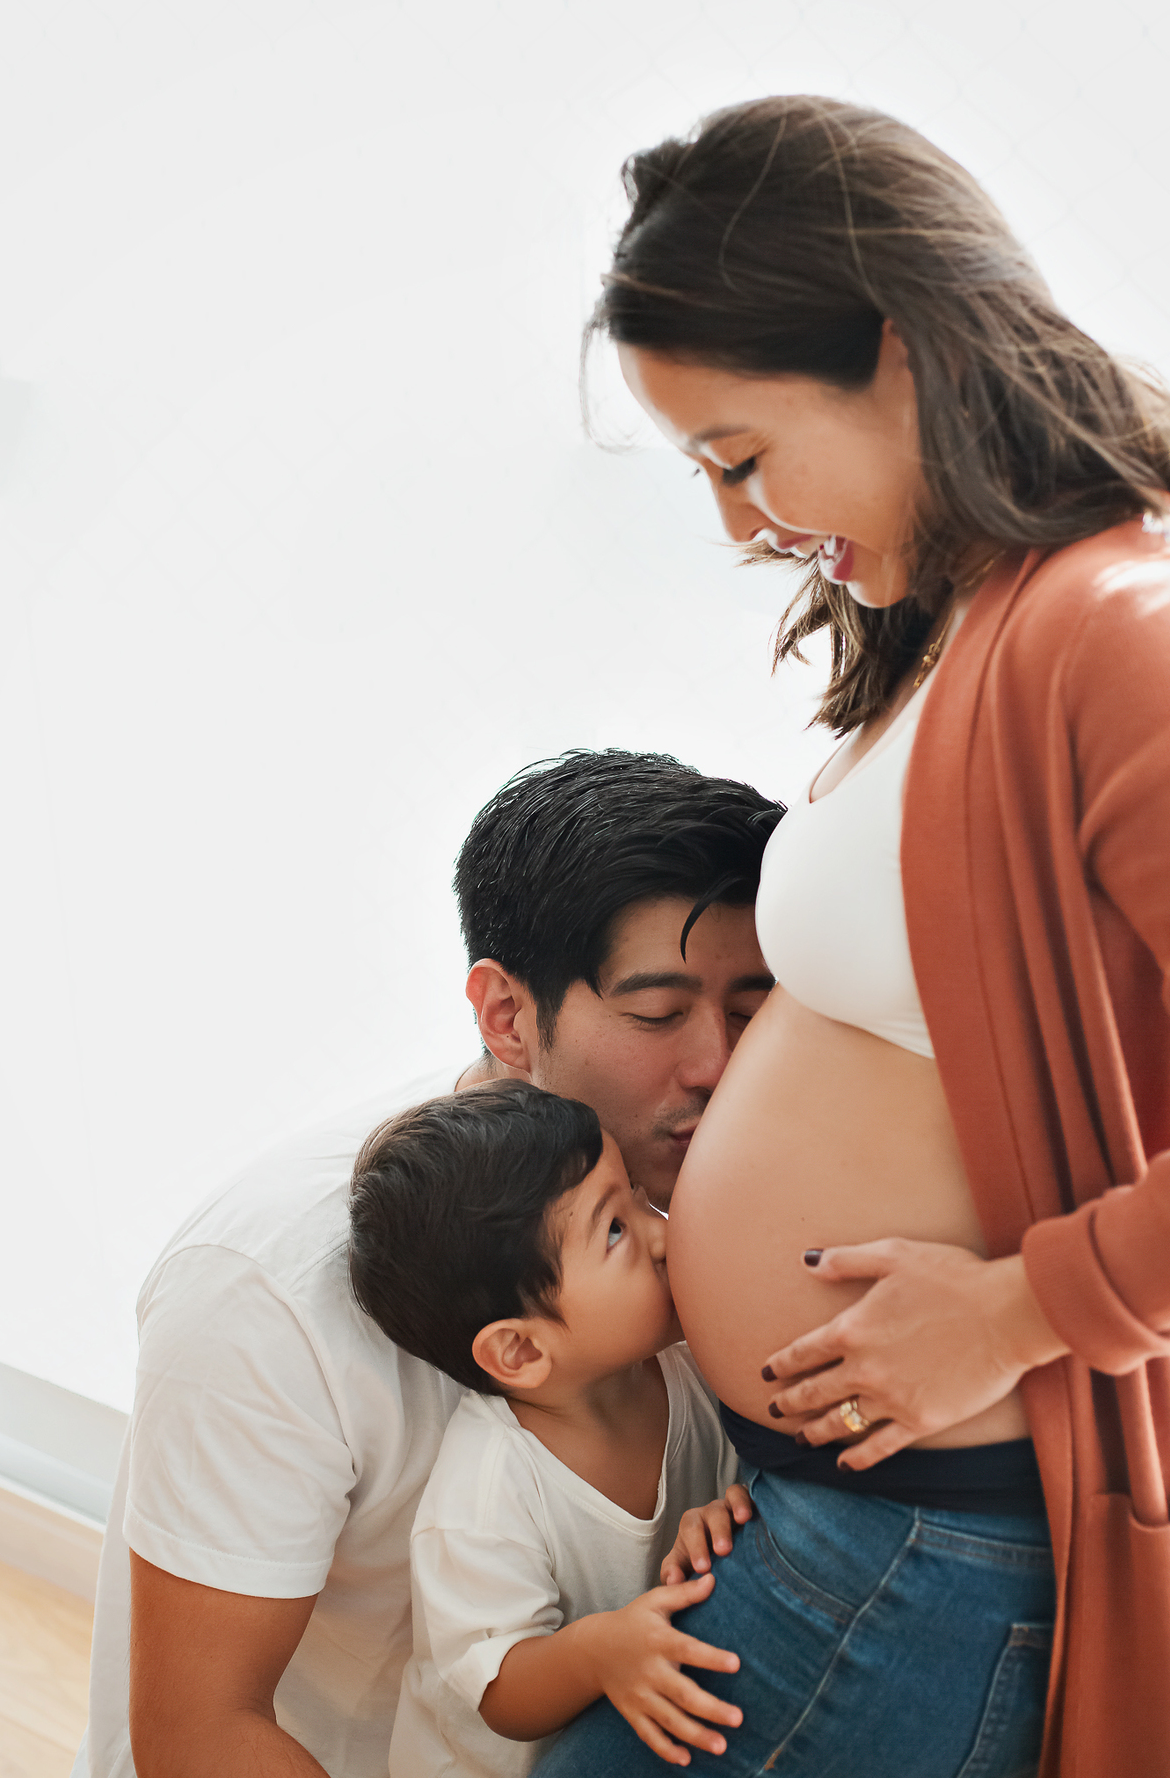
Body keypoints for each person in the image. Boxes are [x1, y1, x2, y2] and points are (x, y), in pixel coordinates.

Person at [535, 99, 1170, 1778]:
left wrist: (1020, 1311)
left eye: (742, 455)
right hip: (849, 1521)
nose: (741, 521)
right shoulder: (960, 620)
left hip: (933, 1556)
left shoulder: (1121, 628)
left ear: (896, 354)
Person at [77, 748, 781, 1778]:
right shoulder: (262, 1290)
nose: (718, 1065)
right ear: (505, 1015)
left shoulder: (703, 1194)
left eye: (751, 1008)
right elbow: (201, 1732)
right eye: (658, 1014)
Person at [348, 1081, 747, 1775]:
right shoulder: (486, 1495)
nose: (663, 1228)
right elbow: (500, 1686)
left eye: (635, 1197)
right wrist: (600, 1652)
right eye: (616, 1229)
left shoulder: (687, 1366)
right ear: (522, 1351)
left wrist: (720, 1513)